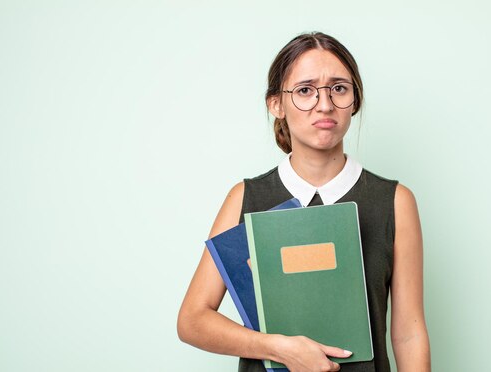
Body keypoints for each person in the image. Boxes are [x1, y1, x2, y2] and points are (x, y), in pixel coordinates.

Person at [178, 32, 430, 372]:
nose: (324, 104)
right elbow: (192, 320)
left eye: (339, 88)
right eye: (305, 90)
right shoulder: (246, 198)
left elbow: (409, 333)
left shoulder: (394, 201)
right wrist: (278, 348)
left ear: (355, 101)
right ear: (276, 104)